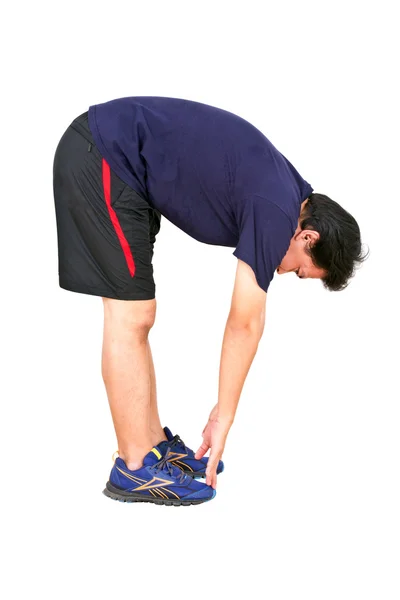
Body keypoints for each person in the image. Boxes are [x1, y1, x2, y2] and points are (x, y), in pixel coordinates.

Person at [53, 96, 367, 506]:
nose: (288, 273)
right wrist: (223, 417)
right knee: (130, 315)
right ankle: (133, 467)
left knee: (139, 317)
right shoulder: (276, 211)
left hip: (120, 161)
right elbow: (245, 321)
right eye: (302, 270)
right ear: (308, 238)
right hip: (105, 155)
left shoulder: (289, 194)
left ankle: (151, 448)